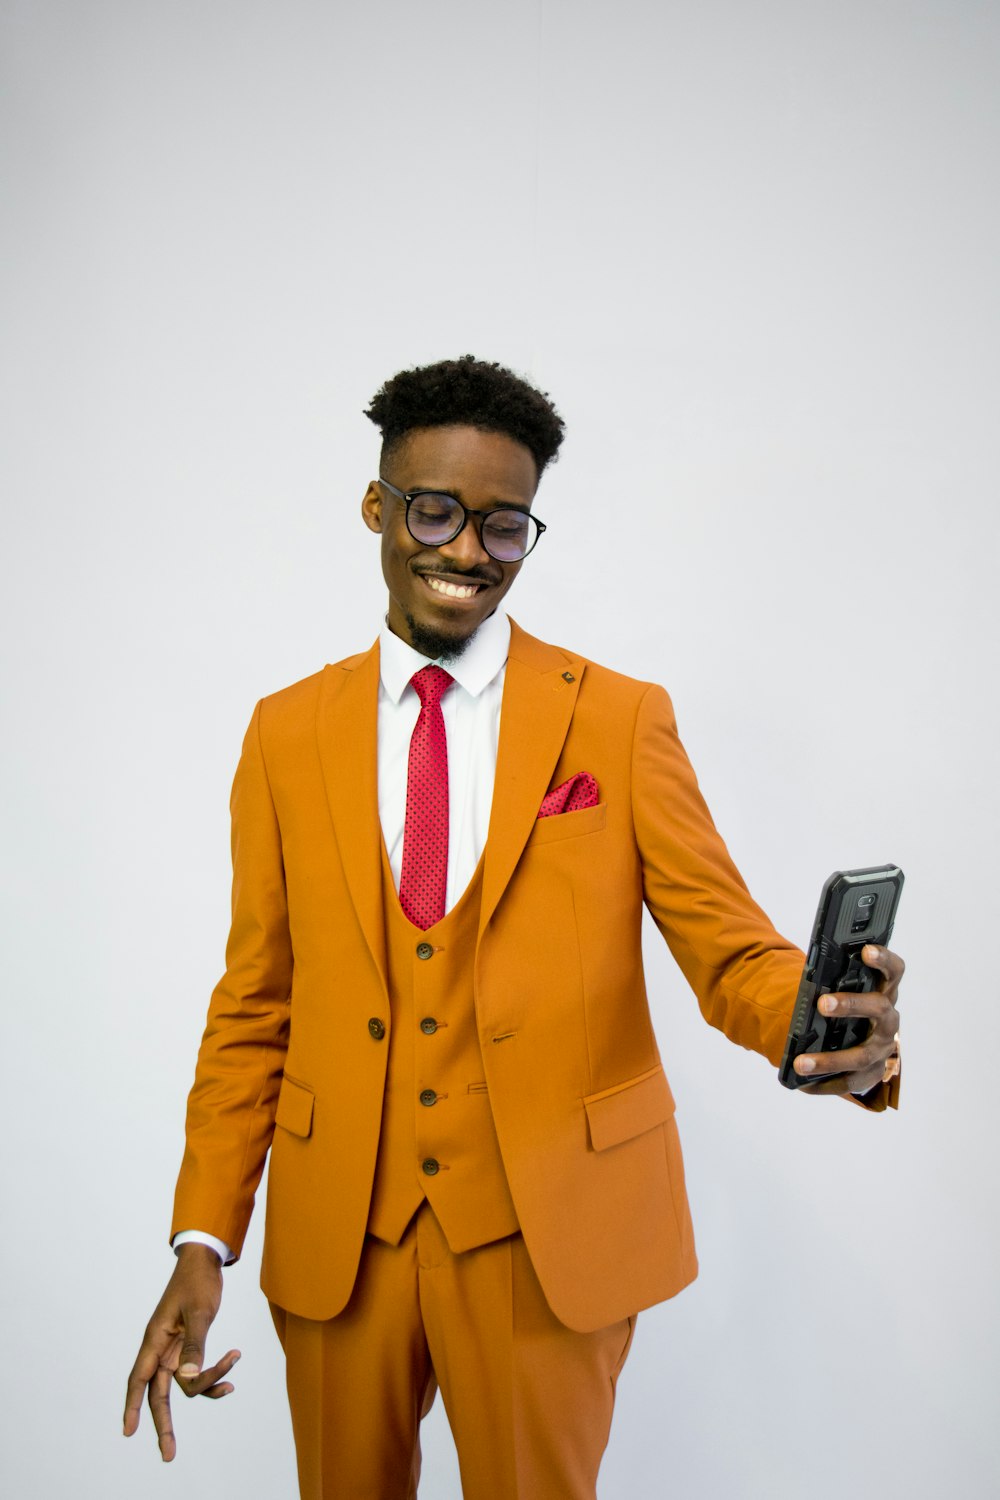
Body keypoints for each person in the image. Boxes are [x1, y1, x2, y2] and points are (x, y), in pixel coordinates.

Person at [123, 355, 903, 1498]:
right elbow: (255, 1006)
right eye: (433, 511)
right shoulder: (283, 734)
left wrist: (821, 1024)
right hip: (346, 1234)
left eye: (502, 527)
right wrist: (204, 1237)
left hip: (549, 1238)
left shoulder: (621, 720)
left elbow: (728, 949)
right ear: (377, 509)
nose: (463, 553)